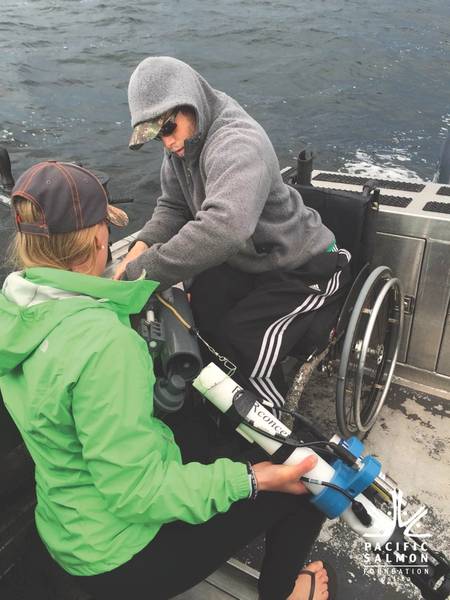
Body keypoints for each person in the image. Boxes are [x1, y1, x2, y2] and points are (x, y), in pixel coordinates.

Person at [0, 161, 334, 600]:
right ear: (101, 239)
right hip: (117, 558)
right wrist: (255, 479)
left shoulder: (16, 307)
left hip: (64, 525)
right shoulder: (103, 346)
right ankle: (286, 593)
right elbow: (139, 493)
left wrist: (138, 294)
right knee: (309, 485)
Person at [114, 56, 351, 417]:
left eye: (167, 129)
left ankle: (273, 432)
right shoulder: (183, 145)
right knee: (196, 324)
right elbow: (173, 208)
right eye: (155, 136)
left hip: (304, 267)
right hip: (247, 263)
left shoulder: (237, 143)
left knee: (238, 347)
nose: (167, 143)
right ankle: (211, 411)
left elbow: (224, 229)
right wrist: (141, 246)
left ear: (188, 103)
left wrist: (140, 272)